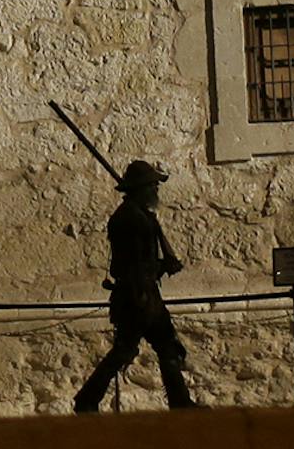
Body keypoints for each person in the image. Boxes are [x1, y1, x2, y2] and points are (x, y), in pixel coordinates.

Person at [72, 160, 199, 412]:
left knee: (157, 347)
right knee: (133, 350)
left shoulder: (136, 215)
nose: (156, 190)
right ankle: (87, 399)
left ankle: (179, 401)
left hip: (142, 294)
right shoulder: (132, 220)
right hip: (138, 296)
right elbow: (135, 265)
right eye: (152, 185)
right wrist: (164, 266)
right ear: (141, 188)